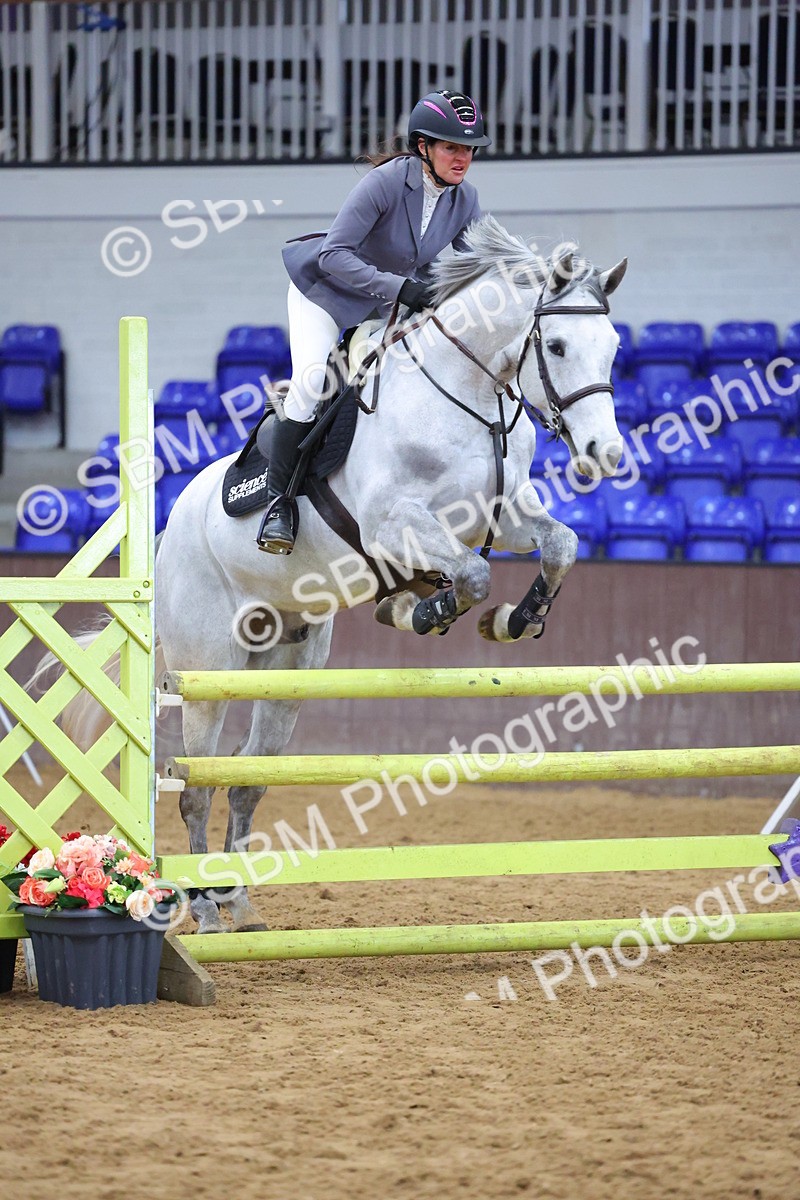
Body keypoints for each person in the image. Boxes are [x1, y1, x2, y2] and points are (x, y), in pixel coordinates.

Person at [256, 88, 491, 554]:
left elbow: (477, 266)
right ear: (423, 146)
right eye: (451, 147)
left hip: (383, 304)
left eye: (468, 149)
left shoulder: (465, 200)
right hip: (326, 292)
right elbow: (333, 254)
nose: (462, 158)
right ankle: (279, 503)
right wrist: (403, 290)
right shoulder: (386, 182)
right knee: (309, 384)